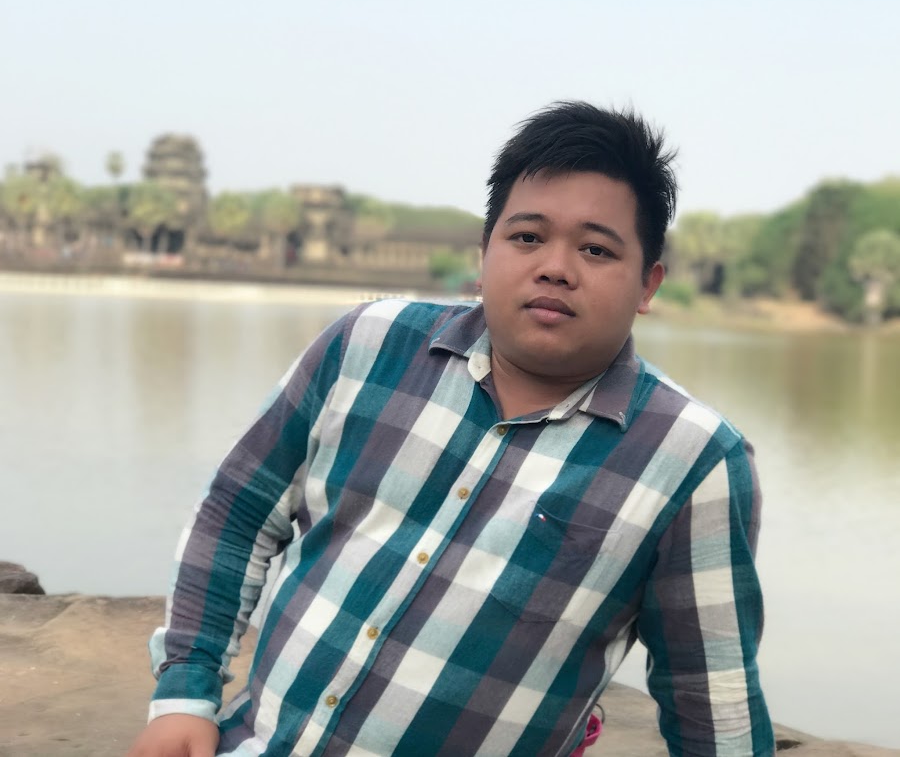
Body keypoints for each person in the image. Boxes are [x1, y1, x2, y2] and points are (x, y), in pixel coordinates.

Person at [127, 102, 773, 757]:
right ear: (484, 252)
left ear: (647, 284)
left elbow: (707, 692)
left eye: (596, 249)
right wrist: (184, 694)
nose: (556, 267)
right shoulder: (368, 345)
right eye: (527, 237)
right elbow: (237, 511)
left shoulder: (691, 460)